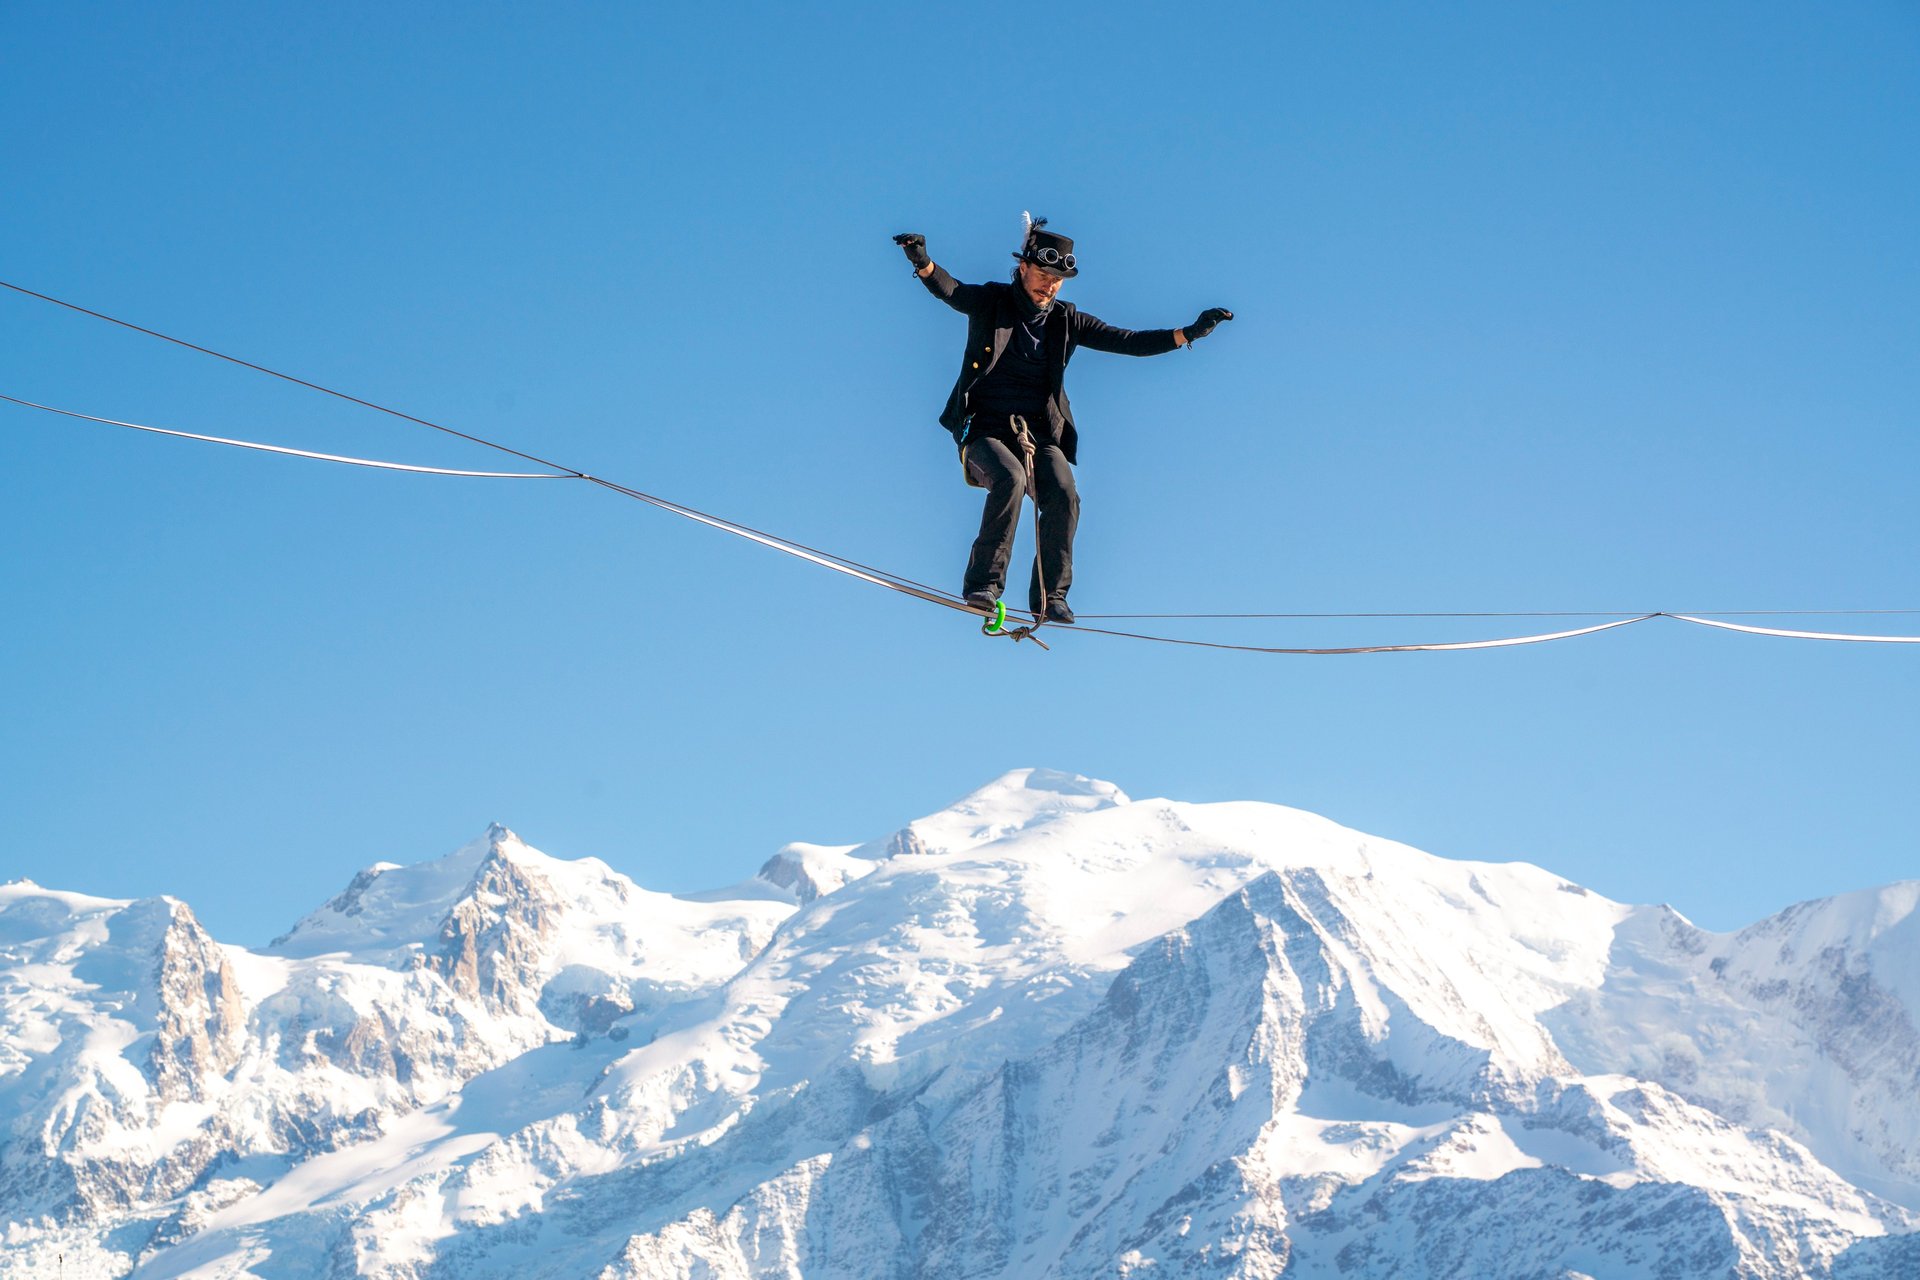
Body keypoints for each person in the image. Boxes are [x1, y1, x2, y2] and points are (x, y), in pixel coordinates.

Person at [894, 216, 1232, 625]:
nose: (1049, 286)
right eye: (1042, 275)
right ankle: (983, 585)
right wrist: (923, 261)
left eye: (1057, 280)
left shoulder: (1066, 320)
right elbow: (951, 291)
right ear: (1023, 268)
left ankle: (1050, 597)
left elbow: (1127, 341)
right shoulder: (992, 301)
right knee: (1010, 479)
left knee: (1064, 494)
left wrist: (1187, 333)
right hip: (984, 429)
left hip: (1038, 435)